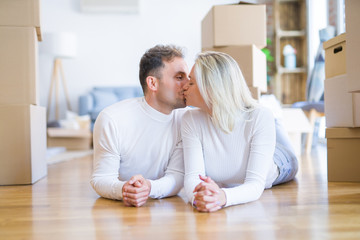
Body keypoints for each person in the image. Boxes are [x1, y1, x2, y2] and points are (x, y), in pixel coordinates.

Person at [182, 51, 298, 212]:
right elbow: (192, 178)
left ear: (210, 87)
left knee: (288, 152)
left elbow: (255, 185)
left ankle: (276, 120)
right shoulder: (190, 119)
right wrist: (200, 198)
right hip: (241, 163)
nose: (184, 87)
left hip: (279, 161)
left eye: (191, 82)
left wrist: (222, 197)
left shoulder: (260, 116)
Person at [91, 45, 189, 207]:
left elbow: (177, 177)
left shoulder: (186, 120)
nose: (187, 84)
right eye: (179, 77)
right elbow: (101, 178)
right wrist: (124, 189)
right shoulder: (112, 119)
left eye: (188, 78)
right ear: (153, 83)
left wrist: (149, 188)